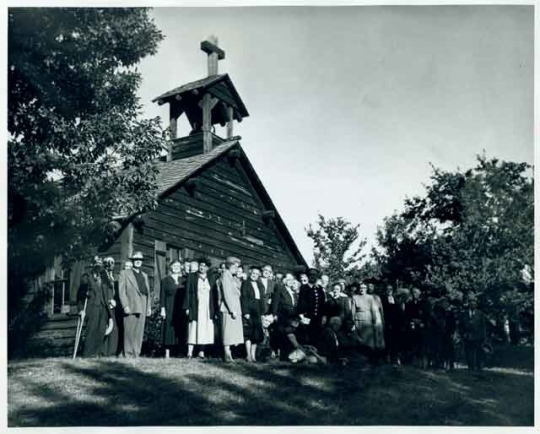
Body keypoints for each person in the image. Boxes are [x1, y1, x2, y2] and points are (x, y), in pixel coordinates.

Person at [118, 251, 152, 358]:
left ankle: (136, 353)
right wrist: (125, 305)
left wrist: (148, 307)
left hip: (143, 303)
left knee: (139, 331)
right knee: (129, 330)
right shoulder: (125, 273)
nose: (138, 262)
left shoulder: (144, 275)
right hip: (131, 304)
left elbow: (148, 292)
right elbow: (121, 291)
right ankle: (128, 353)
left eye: (140, 260)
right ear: (132, 261)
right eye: (136, 260)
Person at [77, 256, 109, 357]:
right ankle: (87, 353)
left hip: (103, 307)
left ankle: (97, 353)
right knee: (91, 330)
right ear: (92, 265)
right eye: (96, 263)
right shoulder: (86, 276)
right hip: (92, 306)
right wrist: (81, 309)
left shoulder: (104, 277)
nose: (98, 266)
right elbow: (80, 295)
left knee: (101, 330)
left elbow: (108, 291)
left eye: (100, 264)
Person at [185, 258, 216, 359]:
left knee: (205, 328)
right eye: (201, 265)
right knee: (193, 328)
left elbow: (213, 295)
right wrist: (187, 307)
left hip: (207, 308)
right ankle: (190, 352)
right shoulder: (192, 277)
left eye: (205, 266)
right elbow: (188, 293)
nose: (202, 267)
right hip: (195, 306)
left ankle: (201, 352)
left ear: (207, 268)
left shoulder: (211, 278)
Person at [218, 256, 244, 362]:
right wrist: (232, 309)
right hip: (229, 308)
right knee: (228, 331)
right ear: (230, 265)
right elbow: (227, 293)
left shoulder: (232, 277)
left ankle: (229, 354)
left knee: (232, 332)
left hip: (235, 307)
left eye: (238, 266)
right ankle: (226, 354)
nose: (237, 268)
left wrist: (239, 279)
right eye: (235, 266)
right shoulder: (226, 275)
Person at [159, 259, 186, 357]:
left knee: (180, 329)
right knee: (169, 329)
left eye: (178, 266)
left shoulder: (184, 280)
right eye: (174, 266)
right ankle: (167, 353)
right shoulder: (165, 280)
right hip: (169, 307)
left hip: (180, 308)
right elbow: (162, 295)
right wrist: (162, 309)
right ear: (171, 267)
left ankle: (179, 352)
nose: (176, 268)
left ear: (181, 268)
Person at [241, 266, 266, 362]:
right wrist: (246, 312)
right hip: (249, 310)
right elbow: (244, 298)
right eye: (253, 273)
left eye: (257, 274)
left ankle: (253, 355)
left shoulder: (259, 285)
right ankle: (248, 355)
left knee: (256, 334)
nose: (255, 275)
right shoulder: (246, 283)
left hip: (257, 311)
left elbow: (262, 300)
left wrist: (263, 313)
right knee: (248, 333)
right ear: (250, 273)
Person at [297, 268, 327, 345]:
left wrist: (323, 316)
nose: (313, 276)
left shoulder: (319, 288)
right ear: (308, 276)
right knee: (306, 337)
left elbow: (323, 303)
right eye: (311, 275)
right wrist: (302, 317)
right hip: (307, 317)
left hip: (317, 318)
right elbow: (301, 303)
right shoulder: (304, 288)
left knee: (316, 337)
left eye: (314, 275)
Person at [351, 282, 379, 363]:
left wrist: (374, 320)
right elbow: (353, 311)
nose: (362, 289)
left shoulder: (370, 297)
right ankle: (361, 358)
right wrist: (353, 321)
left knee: (369, 340)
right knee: (359, 340)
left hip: (368, 319)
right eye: (360, 288)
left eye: (364, 288)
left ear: (366, 289)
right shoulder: (355, 297)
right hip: (358, 320)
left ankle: (371, 358)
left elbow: (373, 310)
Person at [459, 296, 487, 371]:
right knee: (468, 351)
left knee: (479, 351)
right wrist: (463, 333)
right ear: (469, 304)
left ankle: (479, 366)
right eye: (471, 303)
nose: (472, 305)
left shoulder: (480, 314)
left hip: (478, 336)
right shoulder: (464, 314)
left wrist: (483, 336)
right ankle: (470, 366)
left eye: (474, 303)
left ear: (476, 304)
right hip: (467, 336)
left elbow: (483, 326)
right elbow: (460, 325)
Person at [405, 287, 428, 368]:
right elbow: (407, 315)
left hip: (421, 326)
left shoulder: (424, 303)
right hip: (412, 326)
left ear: (419, 294)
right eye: (413, 292)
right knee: (413, 343)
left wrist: (422, 322)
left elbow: (427, 315)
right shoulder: (409, 303)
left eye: (416, 293)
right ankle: (414, 362)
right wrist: (412, 321)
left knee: (421, 344)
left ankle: (422, 362)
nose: (415, 294)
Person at [101, 256, 118, 357]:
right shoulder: (102, 275)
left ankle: (111, 353)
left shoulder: (114, 276)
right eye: (108, 262)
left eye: (112, 262)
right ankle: (103, 352)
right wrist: (108, 300)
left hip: (113, 305)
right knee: (105, 327)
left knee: (113, 328)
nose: (110, 264)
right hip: (105, 305)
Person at [381, 284, 399, 364]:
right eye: (387, 289)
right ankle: (386, 357)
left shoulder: (396, 299)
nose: (389, 291)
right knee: (387, 340)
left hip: (395, 323)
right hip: (386, 322)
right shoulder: (382, 299)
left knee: (395, 341)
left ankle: (394, 358)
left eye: (390, 289)